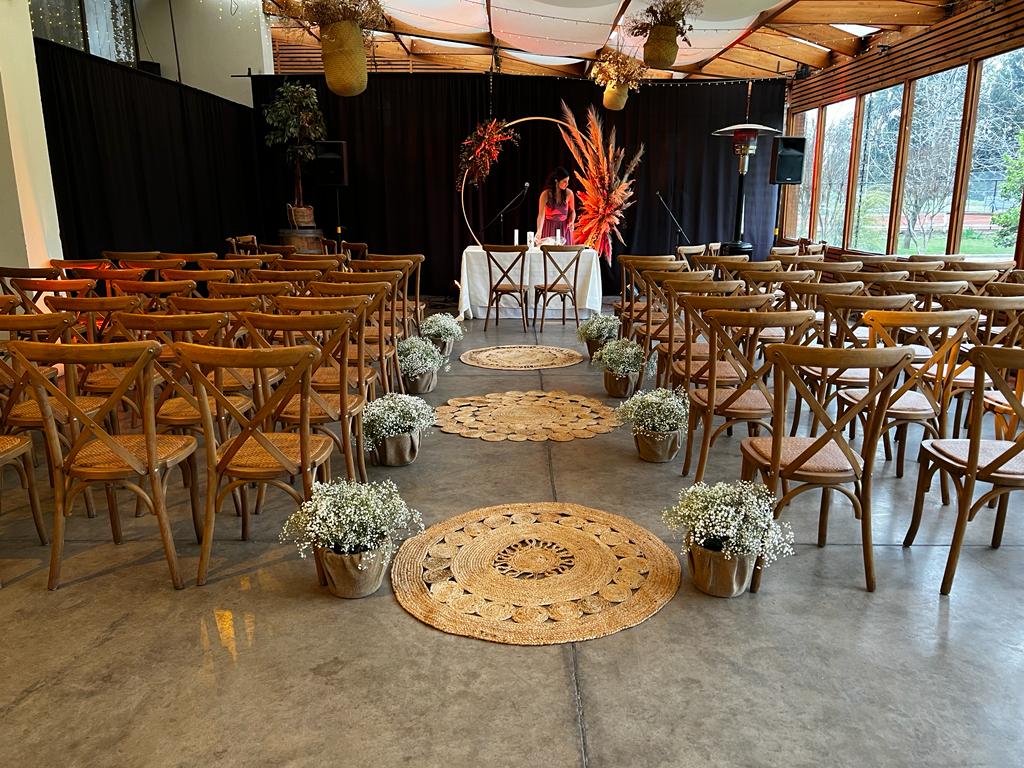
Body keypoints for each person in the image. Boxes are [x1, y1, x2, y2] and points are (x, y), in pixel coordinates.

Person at [536, 167, 575, 244]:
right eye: (564, 181)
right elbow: (541, 215)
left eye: (568, 181)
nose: (567, 184)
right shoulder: (545, 194)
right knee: (549, 250)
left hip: (564, 228)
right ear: (556, 180)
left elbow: (572, 211)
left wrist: (572, 221)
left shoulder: (569, 193)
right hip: (549, 227)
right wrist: (539, 231)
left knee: (565, 251)